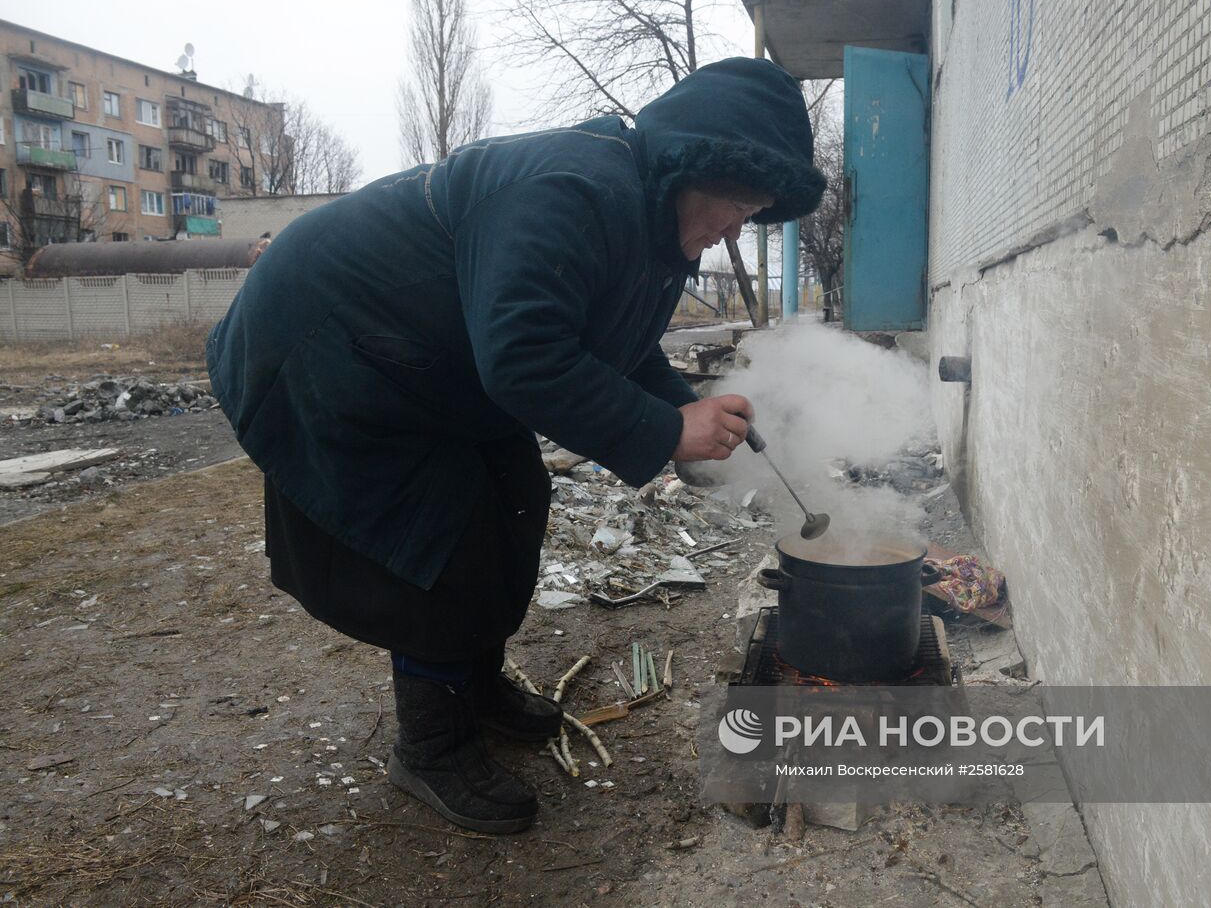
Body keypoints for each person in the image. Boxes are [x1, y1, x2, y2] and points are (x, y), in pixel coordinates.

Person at [205, 57, 824, 833]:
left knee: (514, 502)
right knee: (442, 543)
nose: (737, 228)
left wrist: (687, 408)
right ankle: (430, 746)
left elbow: (615, 345)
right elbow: (525, 356)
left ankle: (475, 682)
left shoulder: (653, 224)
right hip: (329, 343)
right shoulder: (572, 189)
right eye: (737, 203)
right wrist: (666, 432)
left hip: (429, 358)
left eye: (754, 212)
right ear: (692, 162)